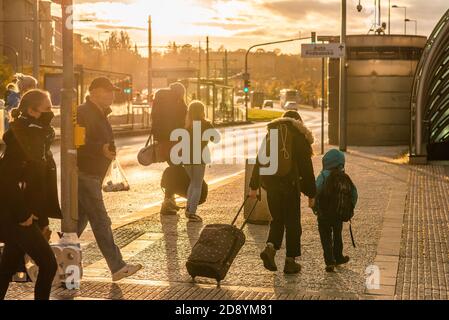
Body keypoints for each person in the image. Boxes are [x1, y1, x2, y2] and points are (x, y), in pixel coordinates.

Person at [77, 77, 142, 282]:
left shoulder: (100, 113)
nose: (112, 95)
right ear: (95, 91)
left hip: (93, 174)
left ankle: (44, 258)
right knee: (101, 221)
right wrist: (100, 149)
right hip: (85, 174)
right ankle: (117, 267)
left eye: (113, 91)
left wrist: (107, 150)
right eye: (108, 91)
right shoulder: (83, 112)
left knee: (74, 225)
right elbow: (77, 142)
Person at [0, 89, 61, 300]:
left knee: (6, 268)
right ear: (32, 110)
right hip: (18, 217)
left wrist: (41, 218)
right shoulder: (21, 137)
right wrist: (23, 214)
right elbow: (6, 179)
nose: (50, 112)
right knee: (48, 264)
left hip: (27, 215)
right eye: (47, 108)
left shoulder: (38, 136)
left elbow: (39, 182)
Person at [249, 110, 316, 274]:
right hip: (290, 185)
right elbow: (307, 169)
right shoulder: (299, 135)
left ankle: (270, 248)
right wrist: (311, 193)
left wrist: (253, 186)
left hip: (271, 185)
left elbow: (260, 160)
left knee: (277, 219)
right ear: (298, 122)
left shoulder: (271, 133)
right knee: (293, 223)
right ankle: (290, 261)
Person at [313, 149, 358, 272]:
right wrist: (350, 208)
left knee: (325, 236)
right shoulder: (344, 177)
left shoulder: (322, 176)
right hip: (338, 213)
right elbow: (354, 193)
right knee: (337, 235)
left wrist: (315, 208)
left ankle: (329, 261)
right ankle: (338, 257)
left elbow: (315, 191)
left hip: (324, 214)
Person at [151, 82, 188, 215]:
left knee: (174, 168)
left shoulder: (160, 100)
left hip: (162, 140)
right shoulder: (179, 104)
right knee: (176, 169)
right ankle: (167, 202)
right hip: (175, 142)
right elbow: (183, 123)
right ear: (181, 93)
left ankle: (169, 200)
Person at [183, 101, 219, 222]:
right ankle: (192, 212)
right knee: (197, 185)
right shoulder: (206, 124)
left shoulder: (187, 125)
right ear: (202, 111)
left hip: (186, 157)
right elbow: (216, 139)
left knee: (192, 183)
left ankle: (188, 209)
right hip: (199, 157)